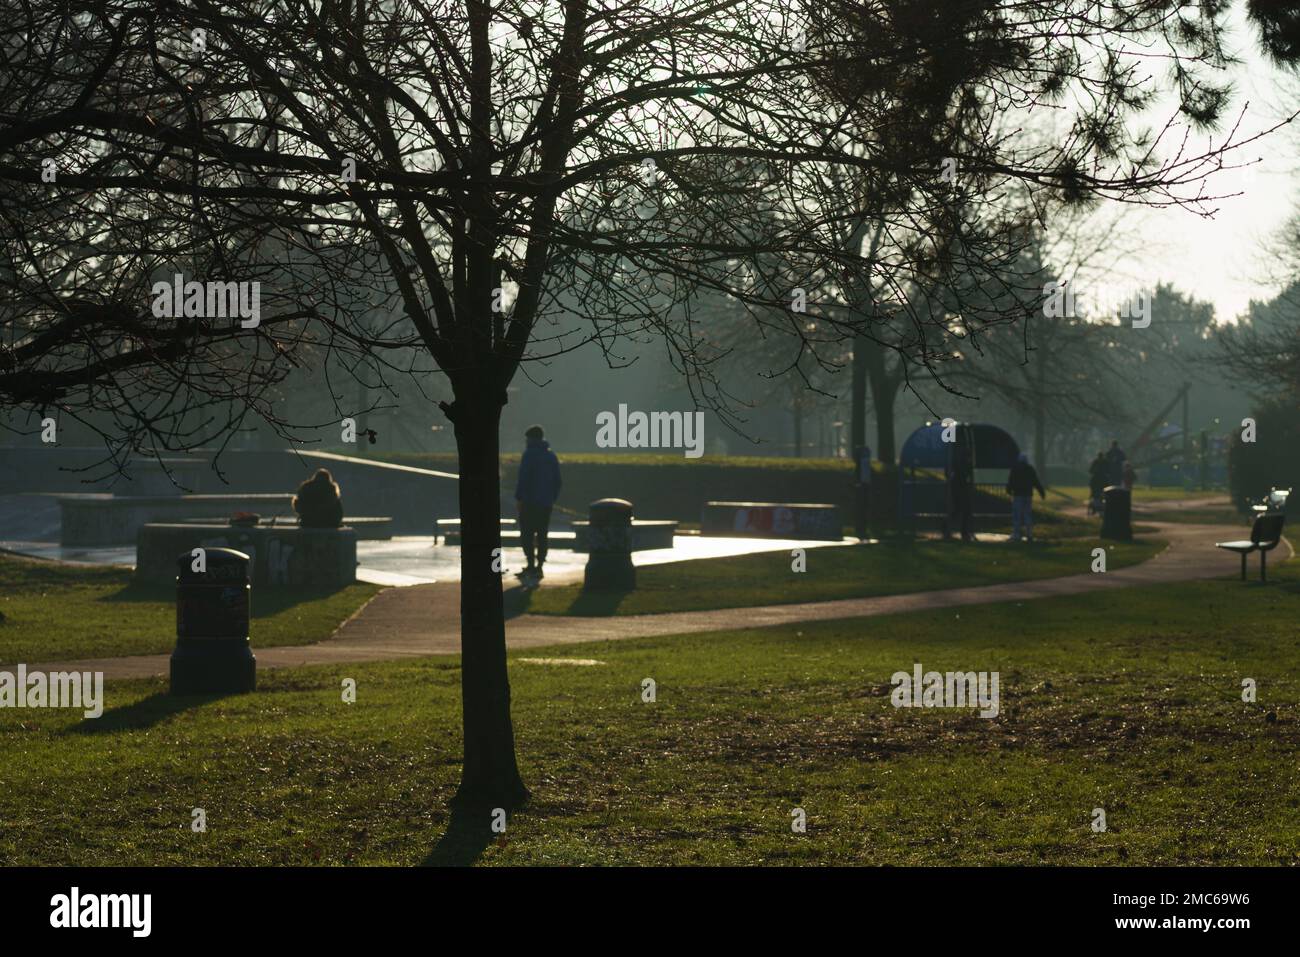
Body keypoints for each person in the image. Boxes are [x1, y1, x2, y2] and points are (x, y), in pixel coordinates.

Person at [514, 424, 562, 579]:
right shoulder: (551, 456)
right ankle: (540, 566)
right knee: (542, 534)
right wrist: (551, 498)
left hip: (529, 502)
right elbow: (557, 481)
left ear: (531, 438)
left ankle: (530, 564)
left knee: (527, 534)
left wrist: (519, 497)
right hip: (545, 503)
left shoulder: (529, 455)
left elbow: (524, 478)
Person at [1006, 451, 1046, 543]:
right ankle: (1029, 534)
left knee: (1017, 515)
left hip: (1018, 495)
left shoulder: (1015, 469)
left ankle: (1016, 534)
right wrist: (1041, 492)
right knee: (1027, 515)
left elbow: (1011, 481)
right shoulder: (1030, 469)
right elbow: (1036, 482)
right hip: (1028, 495)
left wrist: (1008, 490)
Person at [1087, 450, 1108, 516]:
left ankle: (1094, 508)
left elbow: (1090, 471)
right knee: (1102, 494)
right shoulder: (1105, 462)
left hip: (1095, 480)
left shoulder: (1095, 462)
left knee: (1094, 495)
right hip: (1103, 480)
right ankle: (1101, 508)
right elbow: (1108, 471)